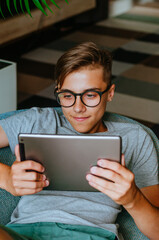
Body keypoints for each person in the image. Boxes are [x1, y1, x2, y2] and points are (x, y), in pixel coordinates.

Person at [0, 42, 158, 240]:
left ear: (110, 93)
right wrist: (6, 178)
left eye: (90, 95)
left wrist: (133, 199)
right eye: (67, 96)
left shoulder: (135, 138)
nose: (77, 108)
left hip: (90, 235)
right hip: (22, 232)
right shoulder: (37, 120)